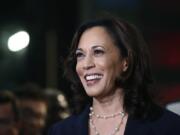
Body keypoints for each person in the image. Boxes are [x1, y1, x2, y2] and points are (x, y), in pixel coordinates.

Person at [48, 16, 180, 135]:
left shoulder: (169, 127)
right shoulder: (60, 131)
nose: (86, 64)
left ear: (125, 61)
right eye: (80, 55)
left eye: (98, 52)